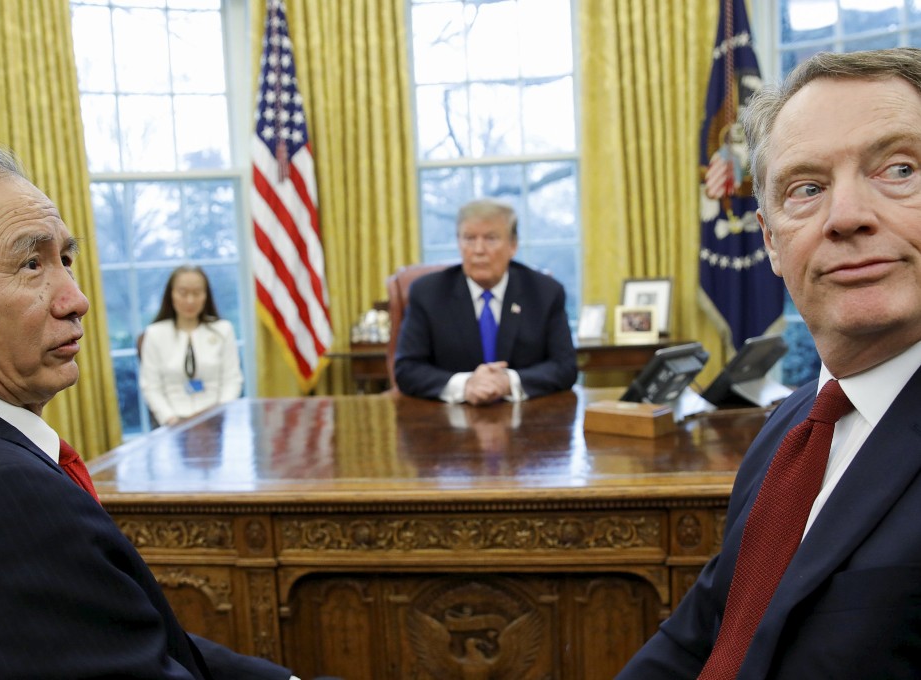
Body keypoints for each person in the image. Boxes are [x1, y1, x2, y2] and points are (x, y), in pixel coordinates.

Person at [0, 141, 298, 679]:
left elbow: (119, 635)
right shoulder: (1, 499)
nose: (76, 298)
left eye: (65, 258)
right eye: (29, 263)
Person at [618, 47, 921, 679]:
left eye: (898, 169)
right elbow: (696, 637)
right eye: (806, 189)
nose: (846, 217)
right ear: (770, 241)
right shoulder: (789, 431)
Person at [393, 198, 577, 404]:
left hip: (528, 419)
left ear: (513, 245)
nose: (478, 250)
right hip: (447, 422)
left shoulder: (545, 293)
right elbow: (406, 369)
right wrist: (466, 385)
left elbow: (565, 367)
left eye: (490, 239)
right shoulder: (428, 293)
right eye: (469, 239)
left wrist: (508, 382)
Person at [140, 265, 243, 426]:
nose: (190, 300)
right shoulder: (154, 333)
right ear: (171, 295)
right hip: (173, 423)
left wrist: (219, 415)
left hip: (215, 420)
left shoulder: (223, 330)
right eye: (183, 293)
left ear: (206, 296)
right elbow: (151, 387)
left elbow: (232, 380)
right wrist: (171, 420)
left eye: (197, 293)